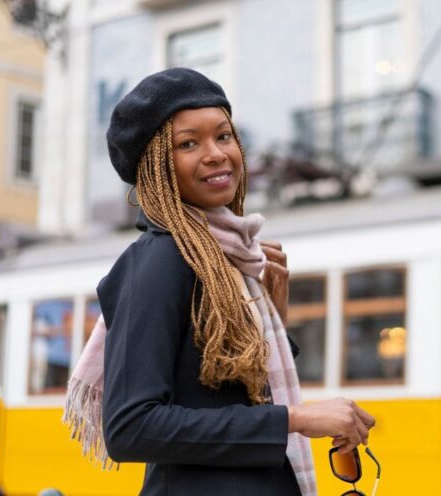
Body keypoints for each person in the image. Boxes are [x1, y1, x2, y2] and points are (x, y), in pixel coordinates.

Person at [94, 68, 374, 495]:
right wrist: (295, 419)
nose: (216, 154)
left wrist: (270, 319)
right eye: (188, 143)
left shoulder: (226, 258)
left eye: (223, 136)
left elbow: (214, 392)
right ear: (156, 167)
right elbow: (131, 427)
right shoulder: (162, 259)